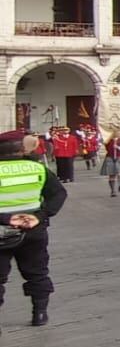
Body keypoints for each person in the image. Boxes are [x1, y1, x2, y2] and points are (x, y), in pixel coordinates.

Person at [0, 129, 69, 331]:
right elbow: (58, 194)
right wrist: (39, 216)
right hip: (33, 230)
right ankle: (39, 313)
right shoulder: (37, 169)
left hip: (2, 230)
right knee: (37, 273)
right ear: (22, 149)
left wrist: (6, 218)